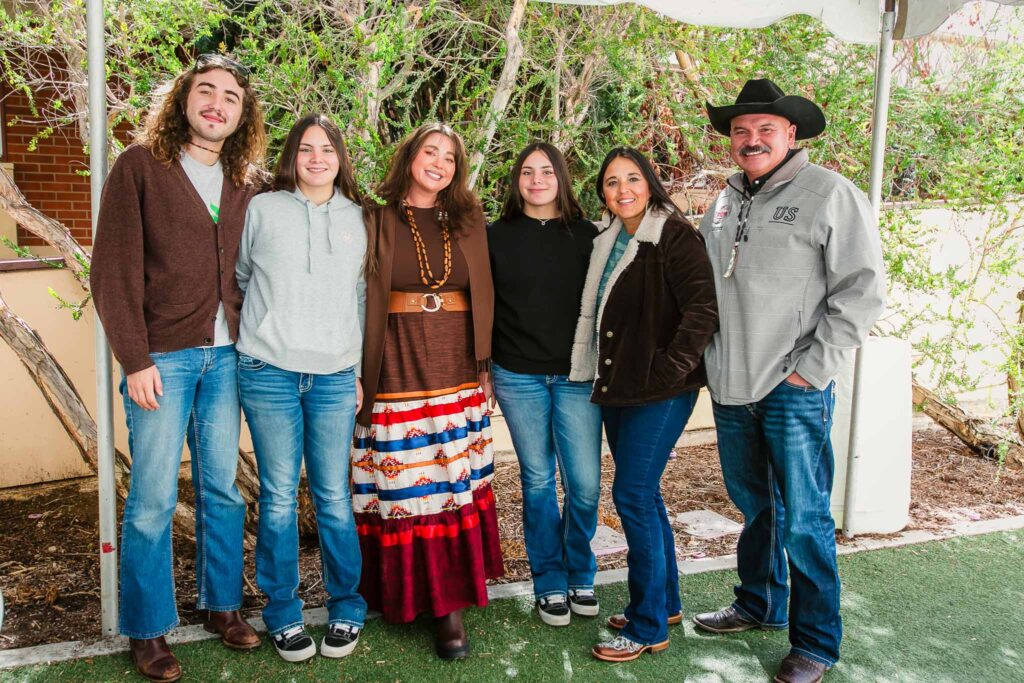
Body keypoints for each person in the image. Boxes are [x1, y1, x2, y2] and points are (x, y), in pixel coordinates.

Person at [695, 78, 886, 683]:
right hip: (730, 384)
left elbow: (862, 290)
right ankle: (758, 603)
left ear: (791, 134)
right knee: (756, 508)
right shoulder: (723, 199)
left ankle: (816, 645)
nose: (751, 140)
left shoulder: (829, 192)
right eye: (741, 131)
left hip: (793, 385)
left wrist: (813, 369)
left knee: (803, 519)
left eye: (765, 130)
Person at [90, 54, 266, 682]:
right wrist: (134, 359)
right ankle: (149, 628)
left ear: (242, 116)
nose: (218, 104)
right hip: (161, 359)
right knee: (153, 499)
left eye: (232, 98)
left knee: (221, 487)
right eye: (207, 92)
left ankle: (222, 605)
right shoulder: (142, 166)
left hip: (226, 360)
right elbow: (111, 270)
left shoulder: (247, 180)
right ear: (183, 100)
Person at [351, 122, 504, 659]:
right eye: (429, 151)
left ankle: (450, 608)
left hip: (457, 366)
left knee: (450, 482)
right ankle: (397, 593)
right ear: (410, 157)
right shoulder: (375, 217)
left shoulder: (468, 219)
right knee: (403, 487)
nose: (438, 162)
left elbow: (485, 292)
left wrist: (486, 362)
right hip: (393, 366)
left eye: (449, 157)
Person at [568, 147, 719, 662]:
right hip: (618, 387)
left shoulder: (674, 235)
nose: (622, 189)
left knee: (631, 495)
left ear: (650, 183)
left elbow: (702, 309)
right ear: (603, 194)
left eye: (632, 179)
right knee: (645, 495)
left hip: (660, 391)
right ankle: (667, 601)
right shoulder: (609, 238)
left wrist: (667, 370)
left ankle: (648, 624)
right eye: (611, 182)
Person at [234, 114, 368, 663]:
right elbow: (243, 278)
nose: (318, 158)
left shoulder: (361, 218)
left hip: (336, 375)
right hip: (268, 370)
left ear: (340, 158)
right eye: (307, 149)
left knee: (335, 496)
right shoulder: (262, 210)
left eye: (328, 149)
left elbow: (361, 296)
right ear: (293, 156)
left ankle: (347, 605)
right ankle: (284, 613)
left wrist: (357, 370)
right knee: (280, 498)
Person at [487, 143, 602, 627]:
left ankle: (581, 571)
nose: (537, 180)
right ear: (516, 180)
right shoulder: (493, 236)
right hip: (518, 375)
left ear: (561, 177)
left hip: (578, 375)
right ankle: (549, 580)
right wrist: (483, 365)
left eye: (546, 171)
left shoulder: (591, 234)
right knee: (536, 479)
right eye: (528, 172)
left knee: (585, 484)